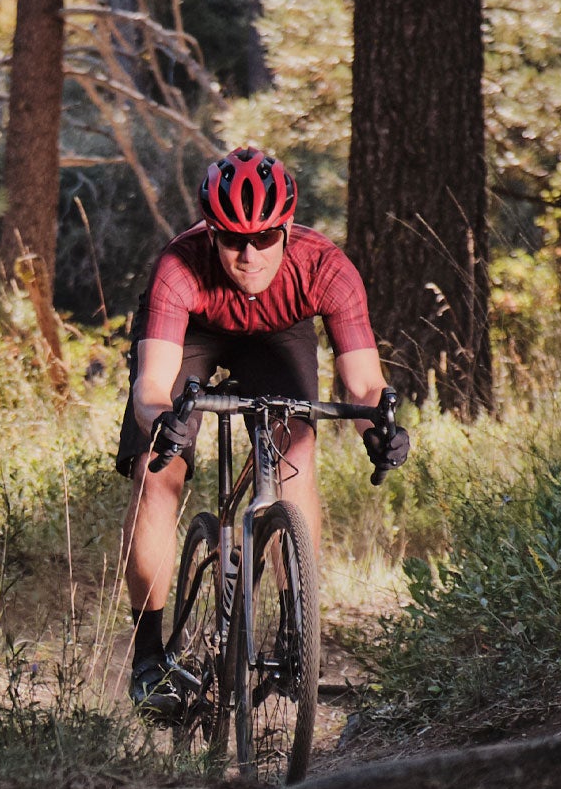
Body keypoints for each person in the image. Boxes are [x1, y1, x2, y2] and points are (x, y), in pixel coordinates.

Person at [116, 147, 410, 719]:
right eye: (230, 240)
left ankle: (296, 628)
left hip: (279, 332)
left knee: (295, 449)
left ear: (286, 228)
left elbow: (365, 383)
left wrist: (384, 426)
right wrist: (165, 426)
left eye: (264, 238)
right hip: (195, 333)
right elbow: (151, 389)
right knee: (159, 470)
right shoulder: (179, 266)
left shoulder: (326, 267)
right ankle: (149, 657)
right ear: (210, 231)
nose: (248, 255)